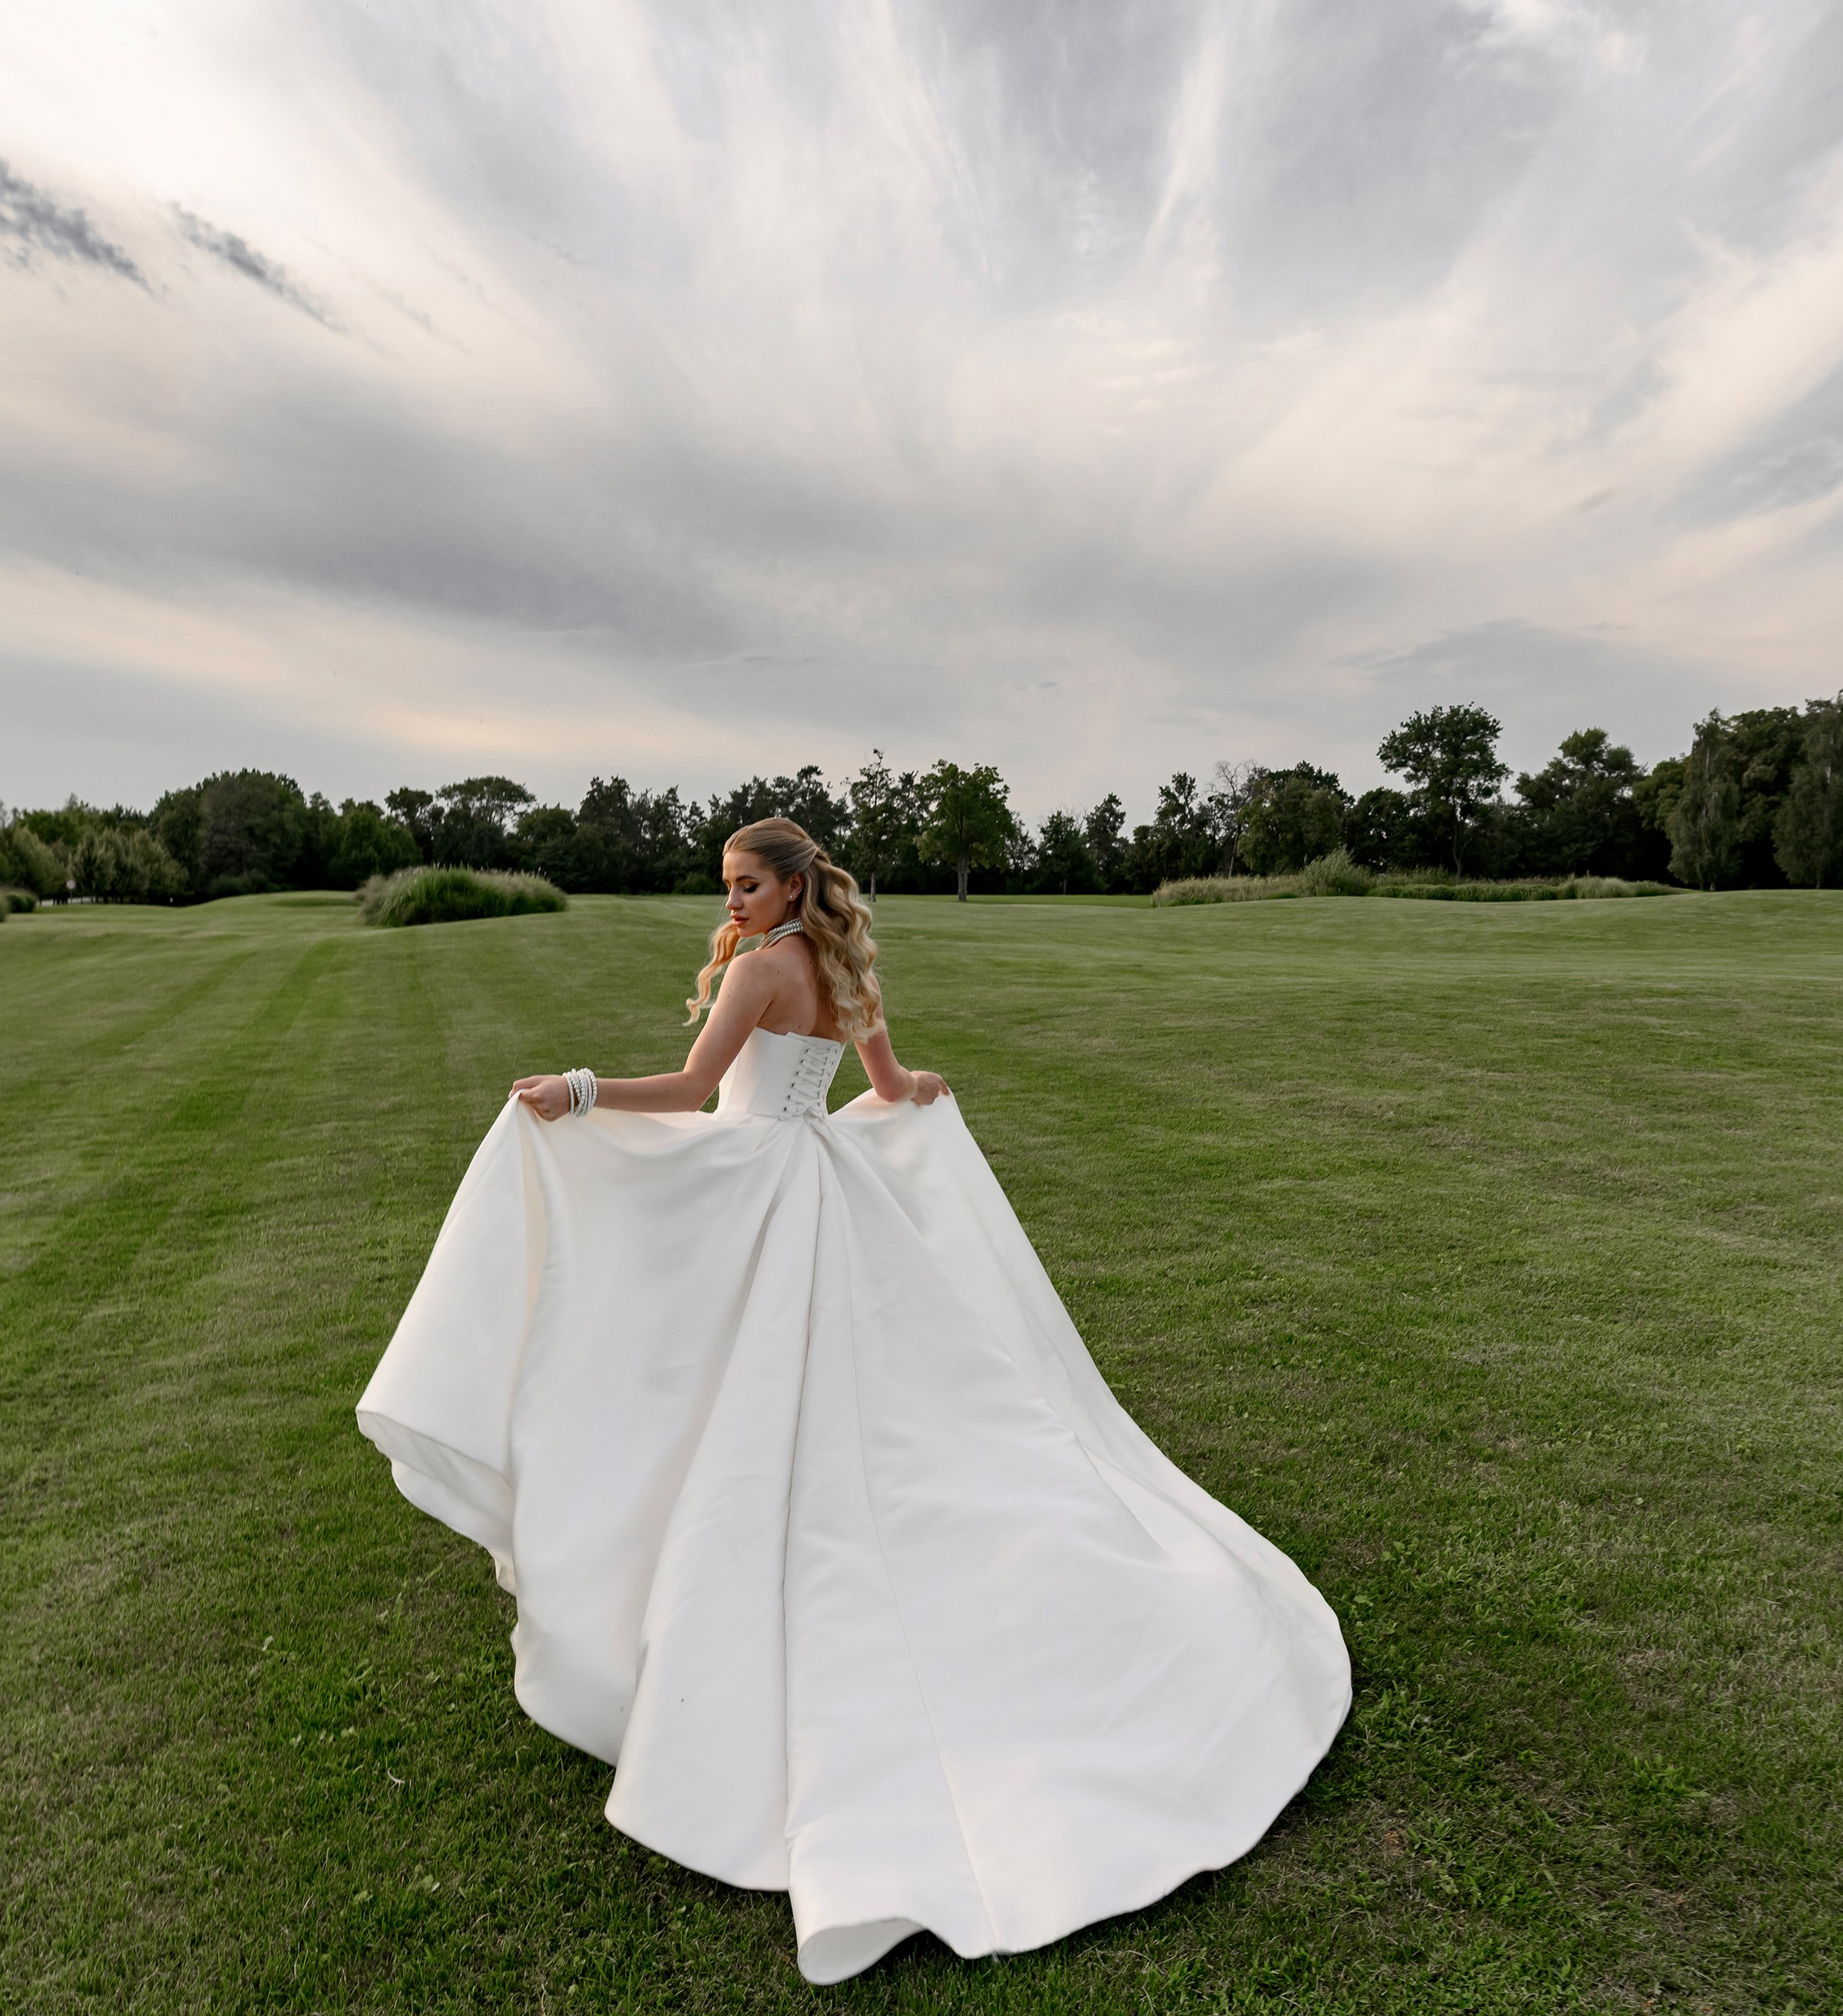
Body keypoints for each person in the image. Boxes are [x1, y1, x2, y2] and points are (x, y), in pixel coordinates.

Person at [357, 816, 1349, 1983]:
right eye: (725, 885)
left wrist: (579, 1091)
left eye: (747, 885)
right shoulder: (840, 967)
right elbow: (883, 1081)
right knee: (857, 1396)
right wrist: (918, 1088)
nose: (732, 902)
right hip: (822, 1177)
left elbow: (691, 1090)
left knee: (707, 1375)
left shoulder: (763, 969)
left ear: (792, 887)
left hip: (759, 1185)